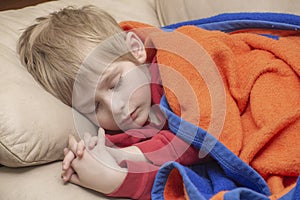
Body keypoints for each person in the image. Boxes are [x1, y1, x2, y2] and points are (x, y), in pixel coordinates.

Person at [17, 5, 201, 199]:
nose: (115, 108)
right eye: (94, 107)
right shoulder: (116, 138)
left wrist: (125, 155)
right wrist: (110, 171)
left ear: (136, 49)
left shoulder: (175, 70)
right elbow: (169, 177)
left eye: (115, 84)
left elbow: (199, 139)